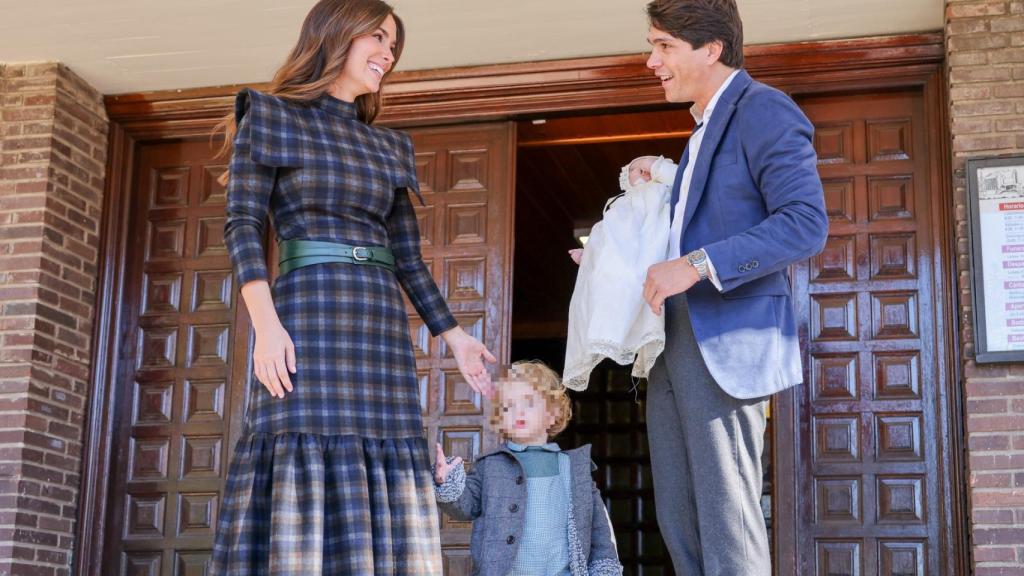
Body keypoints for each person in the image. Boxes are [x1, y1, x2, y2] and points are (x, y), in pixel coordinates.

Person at [210, 1, 495, 574]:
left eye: (395, 46)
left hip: (378, 329)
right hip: (305, 320)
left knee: (385, 454)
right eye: (380, 38)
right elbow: (242, 225)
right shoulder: (269, 116)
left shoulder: (389, 146)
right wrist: (266, 326)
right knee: (301, 446)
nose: (389, 54)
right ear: (335, 35)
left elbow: (409, 259)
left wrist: (457, 338)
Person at [632, 0, 829, 573]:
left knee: (725, 519)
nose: (651, 61)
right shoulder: (699, 134)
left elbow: (805, 223)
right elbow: (704, 222)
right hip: (671, 342)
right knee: (681, 515)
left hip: (724, 343)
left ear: (711, 49)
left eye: (663, 46)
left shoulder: (764, 109)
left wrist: (693, 265)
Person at [432, 361, 623, 576]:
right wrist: (446, 481)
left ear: (552, 414)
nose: (518, 411)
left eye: (529, 403)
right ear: (501, 419)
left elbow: (598, 529)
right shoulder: (490, 466)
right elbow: (464, 507)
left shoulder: (574, 468)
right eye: (509, 406)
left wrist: (605, 569)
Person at [563, 158, 676, 390]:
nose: (645, 171)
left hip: (658, 259)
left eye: (650, 166)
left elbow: (684, 183)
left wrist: (659, 168)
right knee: (612, 281)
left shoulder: (667, 194)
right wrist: (591, 255)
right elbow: (610, 243)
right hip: (625, 263)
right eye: (636, 168)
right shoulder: (620, 206)